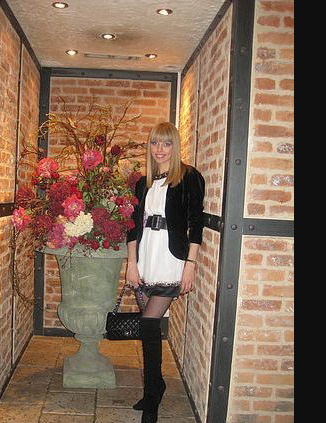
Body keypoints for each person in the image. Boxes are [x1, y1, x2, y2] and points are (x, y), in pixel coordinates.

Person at [126, 122, 205, 423]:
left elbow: (196, 223)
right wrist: (131, 263)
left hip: (171, 259)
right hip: (145, 258)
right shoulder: (142, 183)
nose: (159, 149)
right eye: (155, 143)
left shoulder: (189, 177)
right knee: (150, 329)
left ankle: (152, 397)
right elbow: (133, 226)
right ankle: (155, 386)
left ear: (175, 145)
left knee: (148, 324)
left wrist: (190, 265)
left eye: (166, 143)